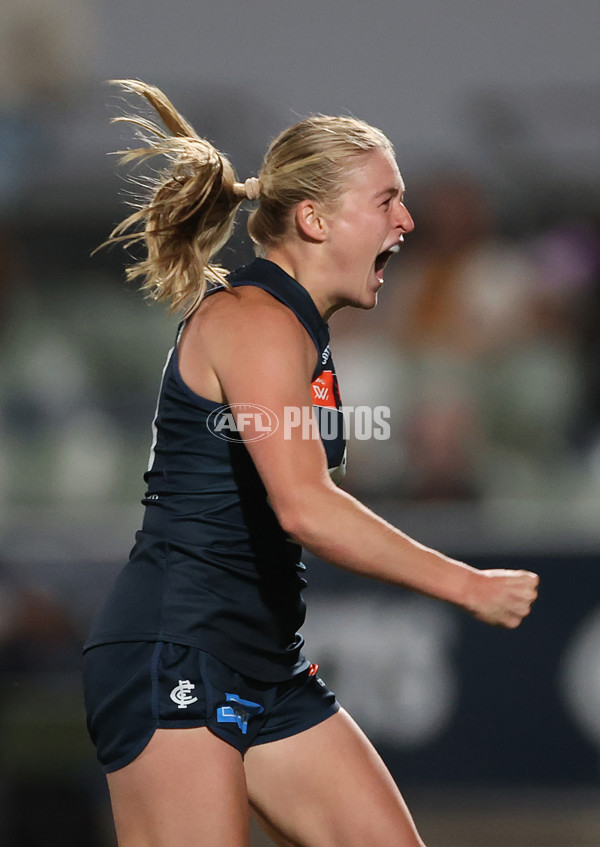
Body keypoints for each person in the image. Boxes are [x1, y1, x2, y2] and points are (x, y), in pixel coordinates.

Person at [83, 80, 539, 847]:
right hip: (178, 652)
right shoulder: (256, 321)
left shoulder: (300, 330)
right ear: (315, 219)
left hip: (265, 665)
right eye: (387, 199)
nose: (408, 220)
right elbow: (305, 506)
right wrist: (468, 583)